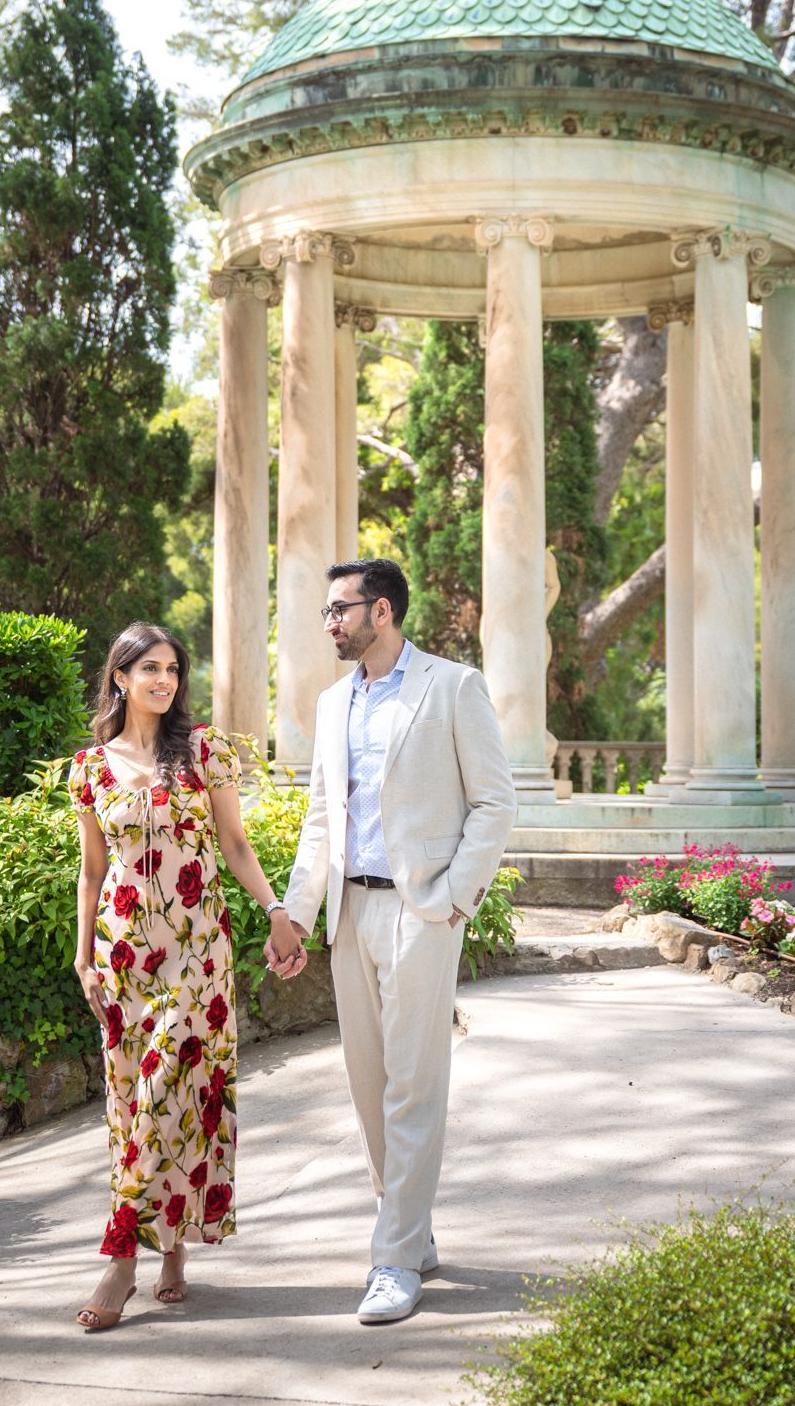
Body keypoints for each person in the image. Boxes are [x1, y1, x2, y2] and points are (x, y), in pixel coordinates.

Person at [265, 558, 516, 1325]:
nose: (329, 623)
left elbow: (494, 803)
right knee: (368, 1083)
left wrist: (449, 900)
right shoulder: (333, 700)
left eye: (338, 610)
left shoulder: (452, 687)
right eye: (327, 612)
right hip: (349, 916)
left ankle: (393, 1256)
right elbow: (320, 821)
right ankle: (409, 1227)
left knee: (413, 1084)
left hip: (419, 913)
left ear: (380, 611)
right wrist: (296, 914)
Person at [69, 620, 302, 1331]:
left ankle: (121, 1259)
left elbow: (234, 842)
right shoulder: (88, 767)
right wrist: (82, 954)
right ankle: (170, 1245)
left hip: (196, 952)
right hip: (121, 955)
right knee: (132, 1102)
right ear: (119, 678)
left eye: (171, 669)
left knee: (174, 1083)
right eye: (148, 670)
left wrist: (276, 911)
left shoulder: (204, 752)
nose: (163, 681)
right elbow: (90, 871)